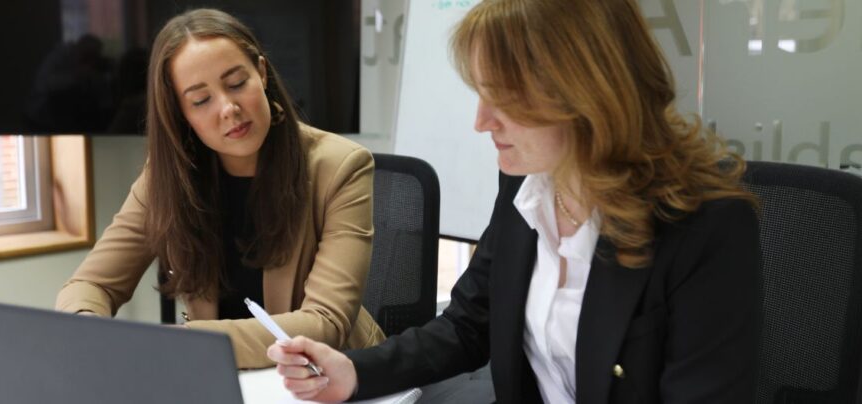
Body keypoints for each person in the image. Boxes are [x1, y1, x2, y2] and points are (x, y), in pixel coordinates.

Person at [267, 0, 761, 402]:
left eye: (504, 98)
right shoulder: (527, 185)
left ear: (587, 92)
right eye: (480, 94)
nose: (481, 122)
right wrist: (354, 372)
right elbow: (467, 325)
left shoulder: (706, 224)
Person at [55, 9, 385, 369]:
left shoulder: (340, 166)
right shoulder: (167, 179)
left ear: (261, 72)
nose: (229, 108)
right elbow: (91, 285)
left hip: (335, 375)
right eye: (201, 100)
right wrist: (90, 329)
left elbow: (325, 324)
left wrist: (183, 342)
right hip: (229, 375)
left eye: (237, 83)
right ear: (180, 113)